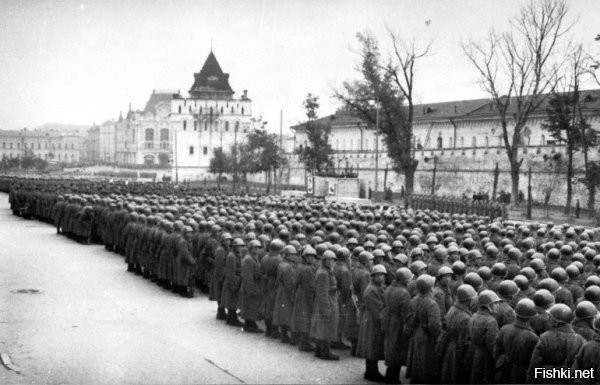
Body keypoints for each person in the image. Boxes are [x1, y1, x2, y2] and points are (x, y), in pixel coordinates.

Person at [527, 303, 586, 383]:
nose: (549, 319)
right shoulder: (581, 340)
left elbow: (534, 367)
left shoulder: (545, 337)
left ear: (555, 321)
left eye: (550, 317)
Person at [405, 274, 441, 384]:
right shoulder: (432, 303)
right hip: (427, 335)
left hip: (416, 332)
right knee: (426, 362)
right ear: (430, 288)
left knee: (416, 358)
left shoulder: (414, 300)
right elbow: (434, 325)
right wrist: (436, 337)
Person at [494, 298, 539, 384]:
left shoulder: (504, 329)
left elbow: (496, 351)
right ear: (532, 317)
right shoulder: (533, 337)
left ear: (516, 314)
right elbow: (533, 361)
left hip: (503, 368)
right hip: (521, 374)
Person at [438, 284, 476, 384]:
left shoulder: (453, 308)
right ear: (468, 300)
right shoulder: (465, 318)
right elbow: (463, 342)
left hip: (449, 346)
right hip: (456, 350)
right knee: (456, 375)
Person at [357, 264, 387, 382]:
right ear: (373, 277)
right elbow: (378, 308)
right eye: (378, 275)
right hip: (372, 321)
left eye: (382, 275)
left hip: (373, 319)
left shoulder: (378, 287)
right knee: (372, 345)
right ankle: (371, 372)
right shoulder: (371, 290)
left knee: (373, 346)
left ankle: (371, 370)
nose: (380, 277)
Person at [310, 250, 340, 360]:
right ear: (324, 260)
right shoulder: (323, 273)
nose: (331, 261)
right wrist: (326, 309)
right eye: (329, 259)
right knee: (326, 327)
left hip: (328, 299)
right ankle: (325, 352)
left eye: (333, 259)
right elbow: (323, 292)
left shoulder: (326, 271)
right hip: (327, 300)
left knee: (323, 327)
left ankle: (320, 350)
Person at [468, 290, 501, 384]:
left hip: (473, 352)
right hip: (485, 357)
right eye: (495, 304)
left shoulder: (474, 315)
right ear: (488, 306)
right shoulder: (491, 321)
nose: (498, 306)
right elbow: (492, 345)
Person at [291, 246, 317, 352]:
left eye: (313, 257)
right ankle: (304, 343)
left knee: (301, 318)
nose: (312, 258)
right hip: (305, 295)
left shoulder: (301, 266)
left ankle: (300, 341)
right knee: (305, 319)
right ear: (305, 257)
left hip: (300, 294)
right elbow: (310, 286)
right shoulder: (308, 269)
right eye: (310, 257)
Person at [273, 245, 298, 343]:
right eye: (291, 255)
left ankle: (284, 335)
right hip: (287, 292)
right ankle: (288, 336)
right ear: (287, 255)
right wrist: (292, 293)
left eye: (293, 254)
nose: (293, 256)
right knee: (287, 314)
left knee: (283, 313)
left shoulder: (282, 264)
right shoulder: (288, 267)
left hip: (281, 290)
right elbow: (290, 283)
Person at [240, 239, 264, 333]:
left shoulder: (253, 257)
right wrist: (250, 289)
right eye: (255, 247)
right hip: (250, 285)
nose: (257, 249)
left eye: (258, 247)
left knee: (252, 306)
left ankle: (250, 324)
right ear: (250, 248)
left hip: (254, 284)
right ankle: (250, 325)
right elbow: (247, 276)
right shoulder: (248, 259)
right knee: (249, 305)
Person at [222, 238, 245, 327]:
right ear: (235, 247)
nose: (240, 248)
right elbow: (231, 271)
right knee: (232, 299)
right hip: (233, 279)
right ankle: (232, 318)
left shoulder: (237, 255)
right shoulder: (231, 256)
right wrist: (233, 283)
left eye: (241, 246)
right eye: (239, 246)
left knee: (234, 300)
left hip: (237, 279)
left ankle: (232, 317)